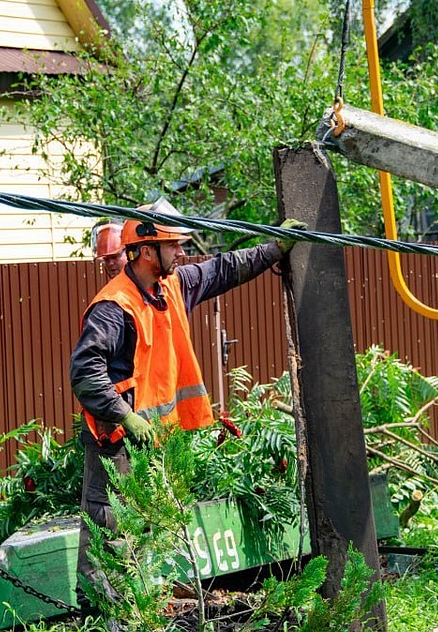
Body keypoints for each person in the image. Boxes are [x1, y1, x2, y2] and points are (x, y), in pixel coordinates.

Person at [68, 198, 303, 609]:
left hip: (154, 441)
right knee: (108, 532)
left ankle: (136, 611)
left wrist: (274, 248)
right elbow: (85, 373)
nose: (182, 252)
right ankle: (101, 614)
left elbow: (225, 270)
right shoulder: (113, 307)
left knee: (142, 531)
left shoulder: (173, 286)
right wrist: (127, 417)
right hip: (117, 443)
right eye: (174, 245)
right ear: (145, 250)